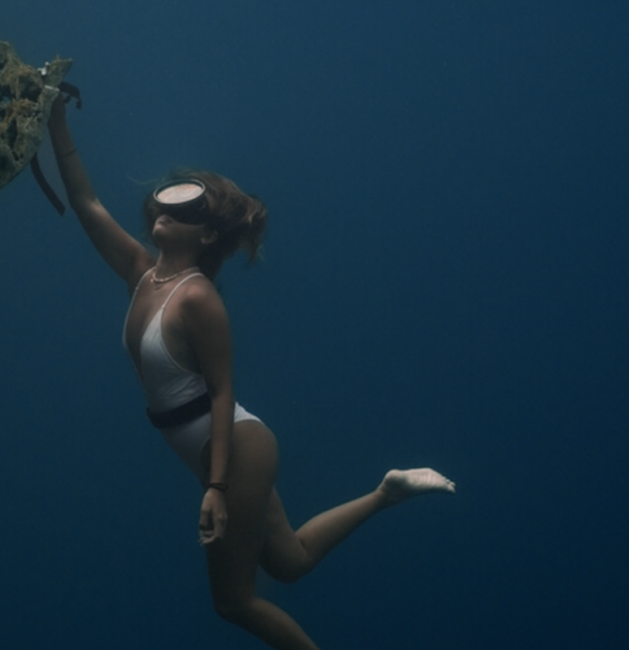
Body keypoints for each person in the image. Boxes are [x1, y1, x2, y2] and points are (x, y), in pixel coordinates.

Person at [45, 91, 456, 650]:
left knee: (233, 602)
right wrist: (56, 122)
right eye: (162, 205)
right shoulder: (142, 275)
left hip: (236, 451)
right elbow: (87, 203)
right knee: (290, 562)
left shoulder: (198, 300)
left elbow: (221, 392)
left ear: (207, 235)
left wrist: (215, 486)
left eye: (182, 211)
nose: (161, 211)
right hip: (227, 453)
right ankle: (390, 491)